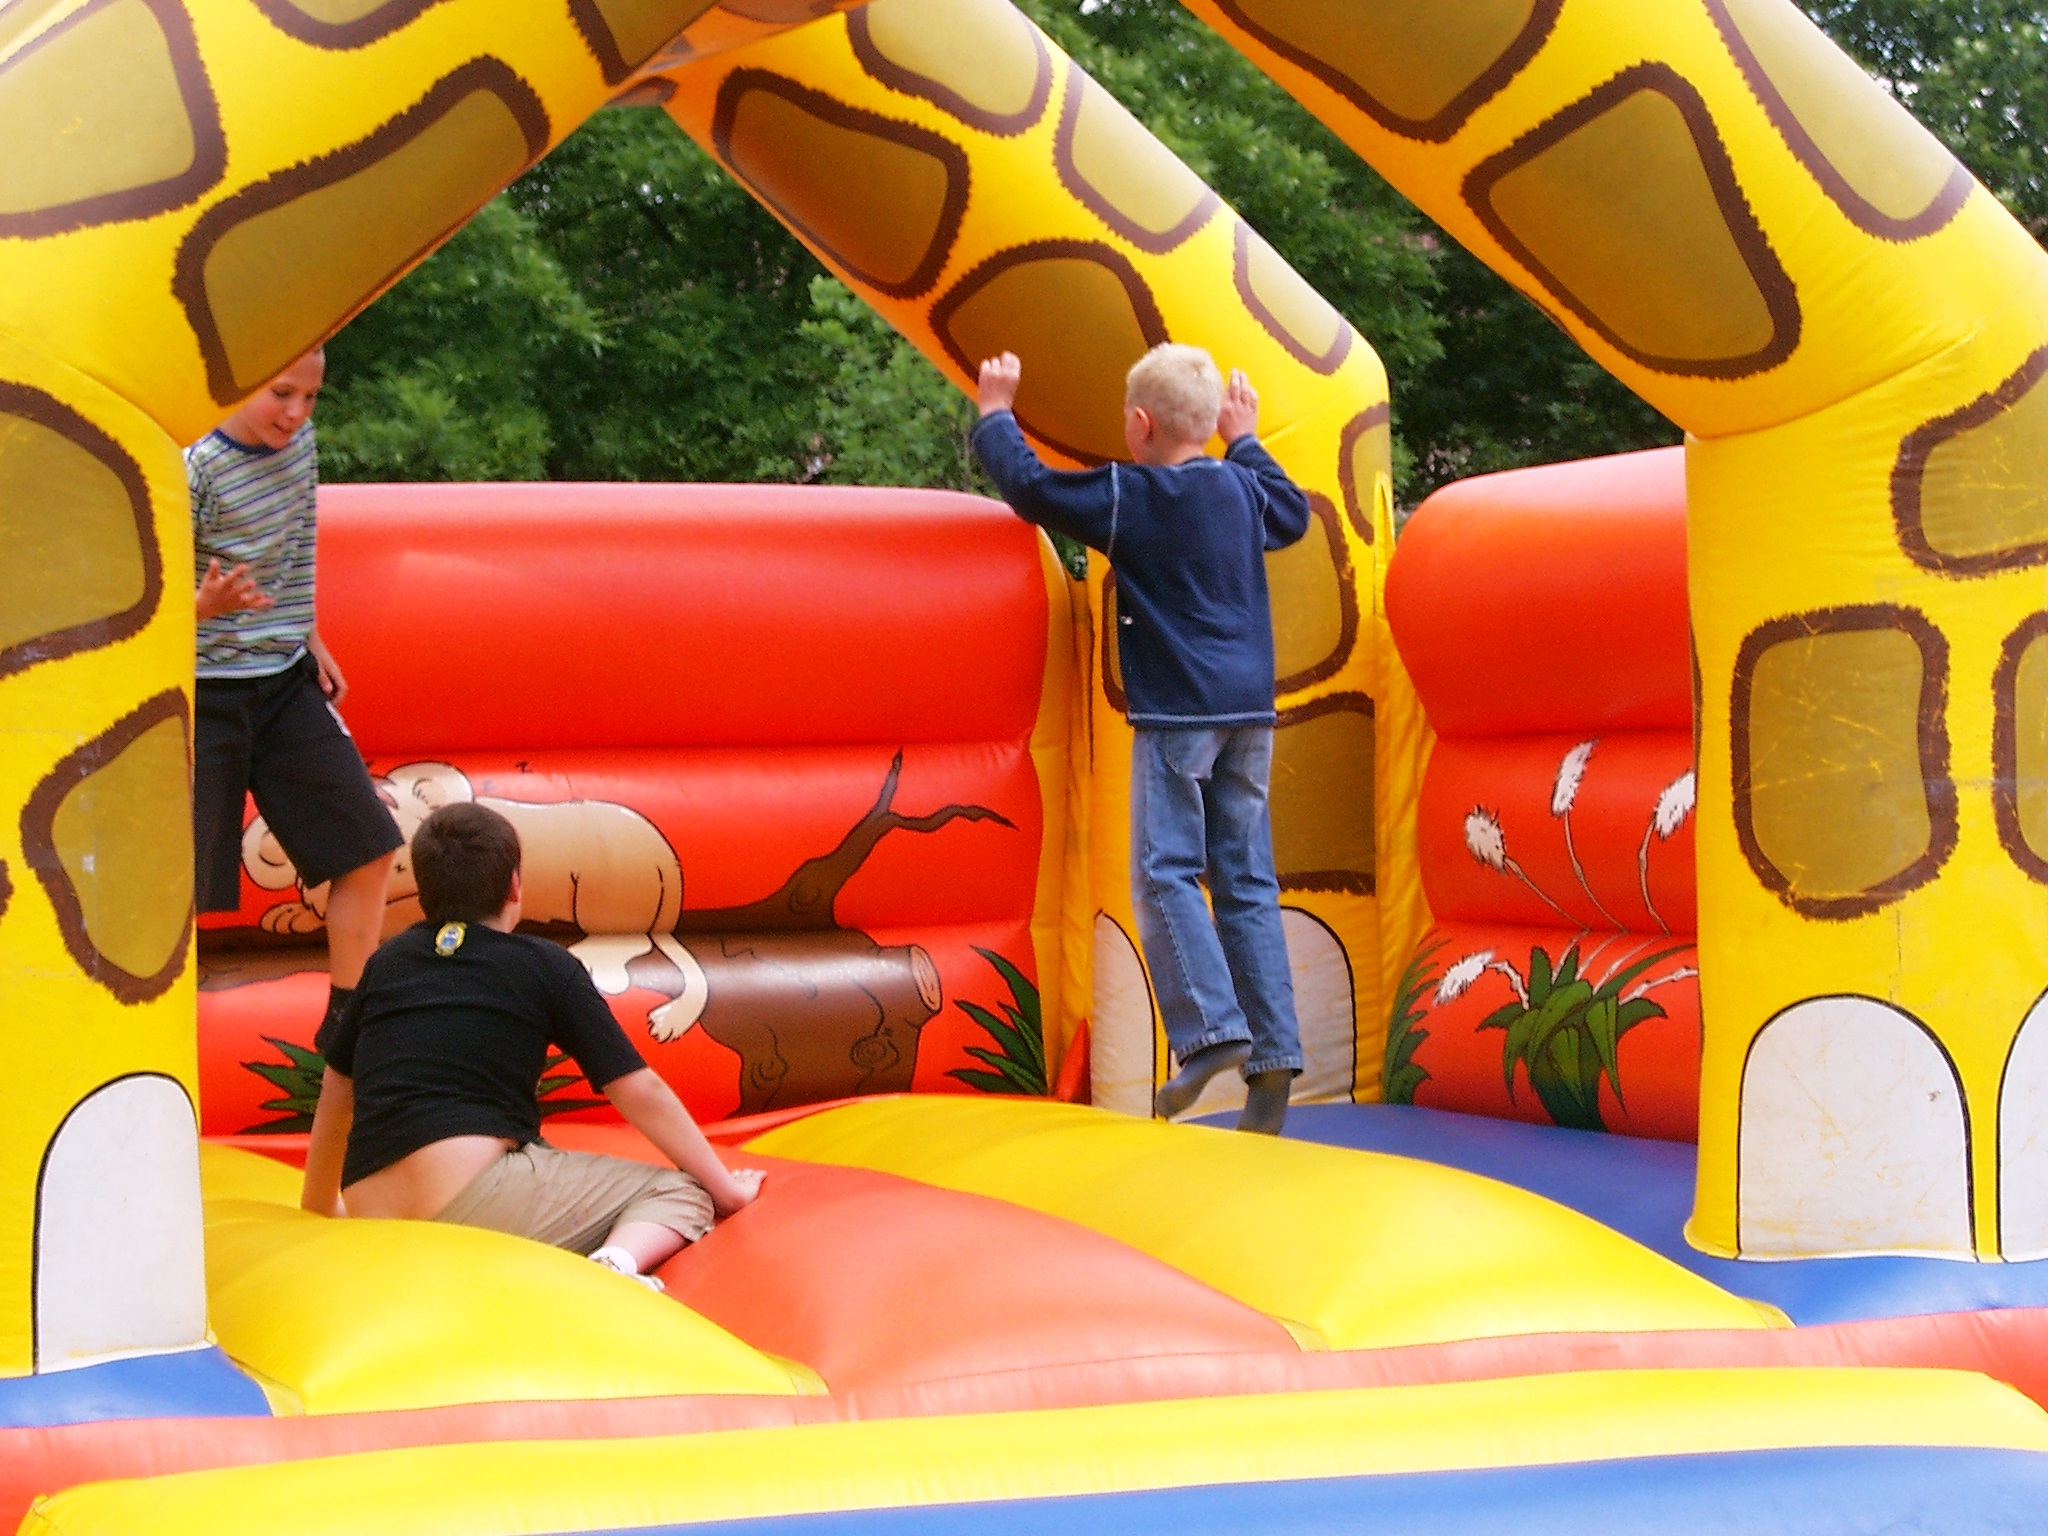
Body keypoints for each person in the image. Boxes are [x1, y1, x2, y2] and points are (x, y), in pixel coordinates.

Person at [970, 343, 1311, 1134]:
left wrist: (995, 413)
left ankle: (1212, 1032)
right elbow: (1289, 511)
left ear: (1139, 424)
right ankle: (1274, 1061)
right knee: (1246, 884)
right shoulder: (1240, 488)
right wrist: (1248, 436)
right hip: (1249, 718)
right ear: (1209, 424)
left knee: (1163, 874)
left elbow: (1030, 487)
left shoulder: (1133, 495)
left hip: (1179, 717)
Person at [302, 801, 763, 1287]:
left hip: (374, 1208)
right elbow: (636, 1089)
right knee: (680, 1192)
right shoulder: (545, 965)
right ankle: (613, 1270)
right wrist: (726, 1191)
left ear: (424, 892)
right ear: (514, 886)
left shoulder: (386, 963)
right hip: (474, 1197)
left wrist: (319, 1205)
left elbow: (337, 1088)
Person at [191, 347, 401, 1039]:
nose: (297, 412)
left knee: (369, 849)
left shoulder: (298, 443)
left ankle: (349, 1021)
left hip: (280, 677)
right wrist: (200, 608)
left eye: (311, 397)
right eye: (282, 393)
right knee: (178, 893)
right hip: (199, 689)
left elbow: (296, 546)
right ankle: (156, 1040)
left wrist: (307, 634)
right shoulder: (195, 467)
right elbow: (131, 592)